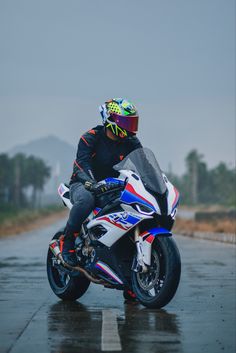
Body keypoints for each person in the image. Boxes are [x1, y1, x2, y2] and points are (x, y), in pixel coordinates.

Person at [62, 98, 142, 266]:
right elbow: (81, 165)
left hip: (115, 186)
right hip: (83, 184)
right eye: (126, 122)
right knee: (86, 200)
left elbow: (144, 165)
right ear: (110, 119)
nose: (129, 127)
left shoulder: (131, 142)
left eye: (132, 122)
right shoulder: (90, 138)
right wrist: (91, 182)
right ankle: (67, 243)